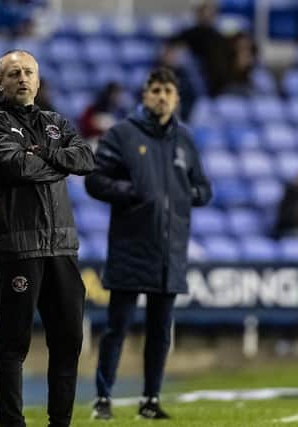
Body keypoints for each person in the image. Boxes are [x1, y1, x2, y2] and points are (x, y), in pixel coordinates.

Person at [0, 49, 95, 427]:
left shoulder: (56, 121)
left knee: (69, 341)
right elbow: (18, 166)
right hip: (20, 246)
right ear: (0, 83)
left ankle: (60, 422)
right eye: (13, 73)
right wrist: (58, 162)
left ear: (39, 81)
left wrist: (43, 152)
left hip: (62, 246)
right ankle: (12, 423)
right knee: (14, 344)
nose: (22, 78)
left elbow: (86, 160)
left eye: (28, 72)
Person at [85, 67, 212, 420]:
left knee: (160, 332)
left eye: (168, 91)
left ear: (177, 98)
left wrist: (186, 196)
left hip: (169, 253)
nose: (161, 96)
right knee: (117, 329)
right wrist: (129, 192)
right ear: (144, 96)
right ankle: (103, 399)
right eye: (155, 89)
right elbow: (95, 180)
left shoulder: (184, 141)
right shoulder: (122, 135)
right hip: (130, 246)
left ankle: (151, 400)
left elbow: (204, 188)